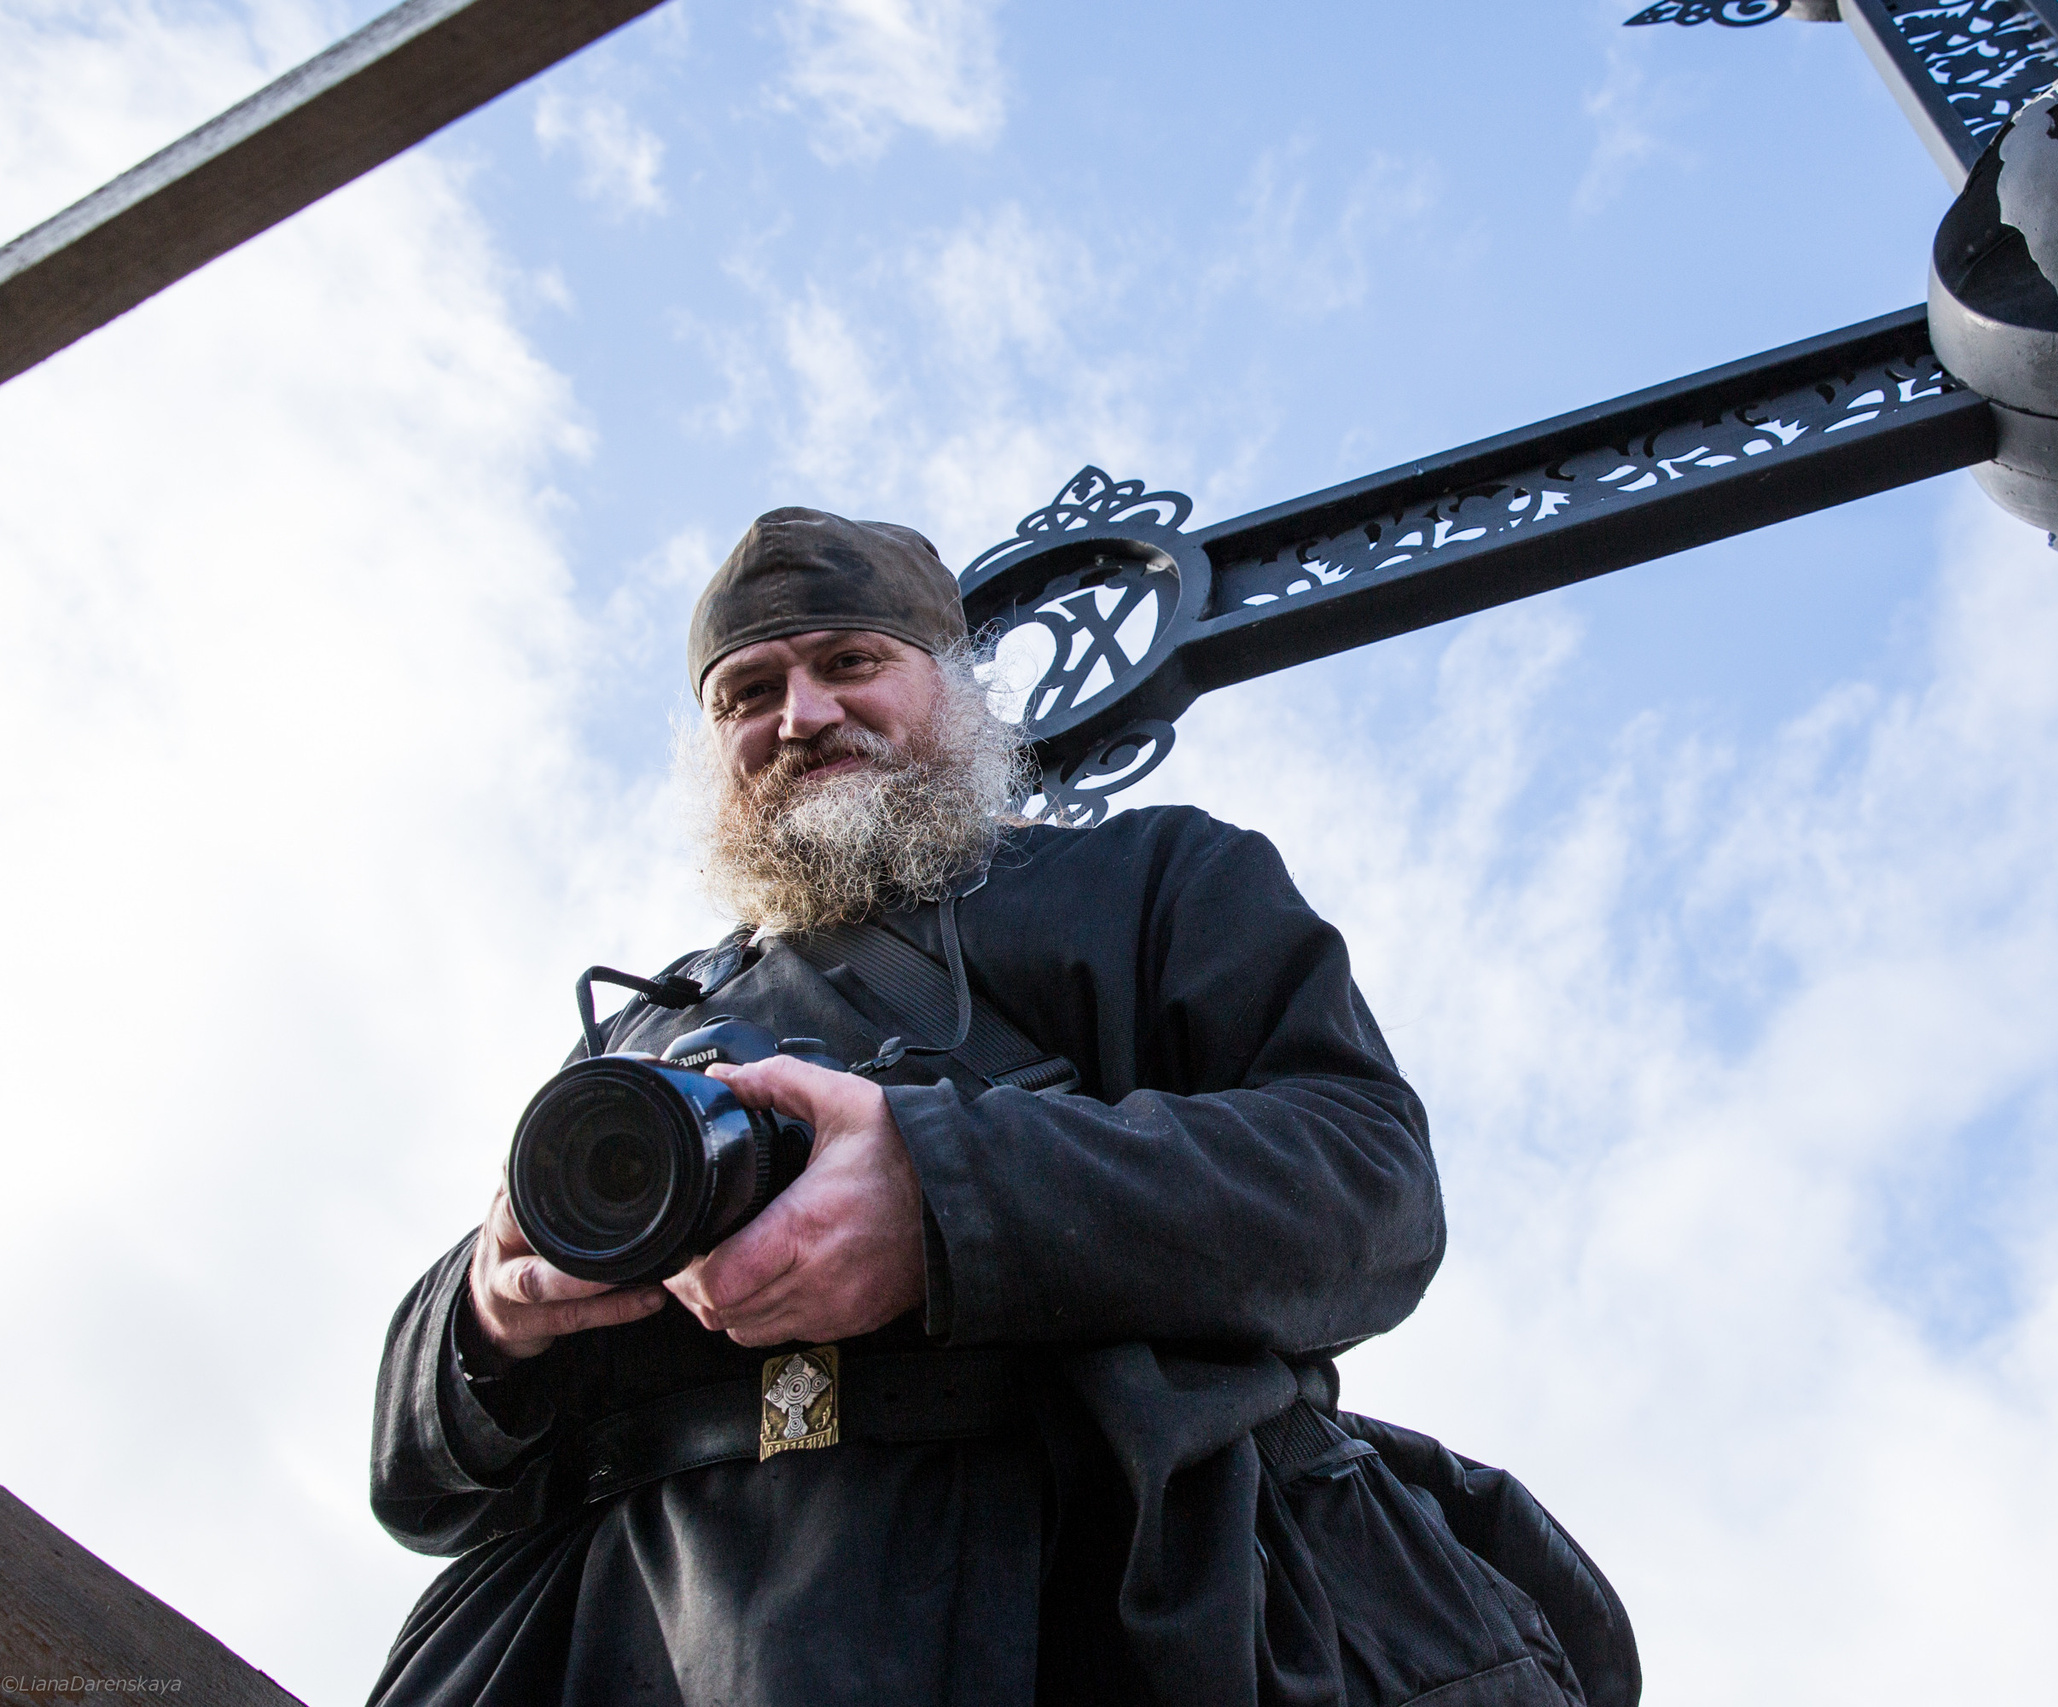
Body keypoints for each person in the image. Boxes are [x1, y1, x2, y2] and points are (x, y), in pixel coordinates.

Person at [366, 508, 1637, 1707]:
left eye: (850, 661)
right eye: (748, 693)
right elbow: (412, 1482)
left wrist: (941, 1191)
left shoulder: (1154, 878)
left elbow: (1370, 1193)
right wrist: (486, 1311)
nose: (801, 716)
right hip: (638, 1646)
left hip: (1099, 1612)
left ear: (955, 686)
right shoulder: (636, 1040)